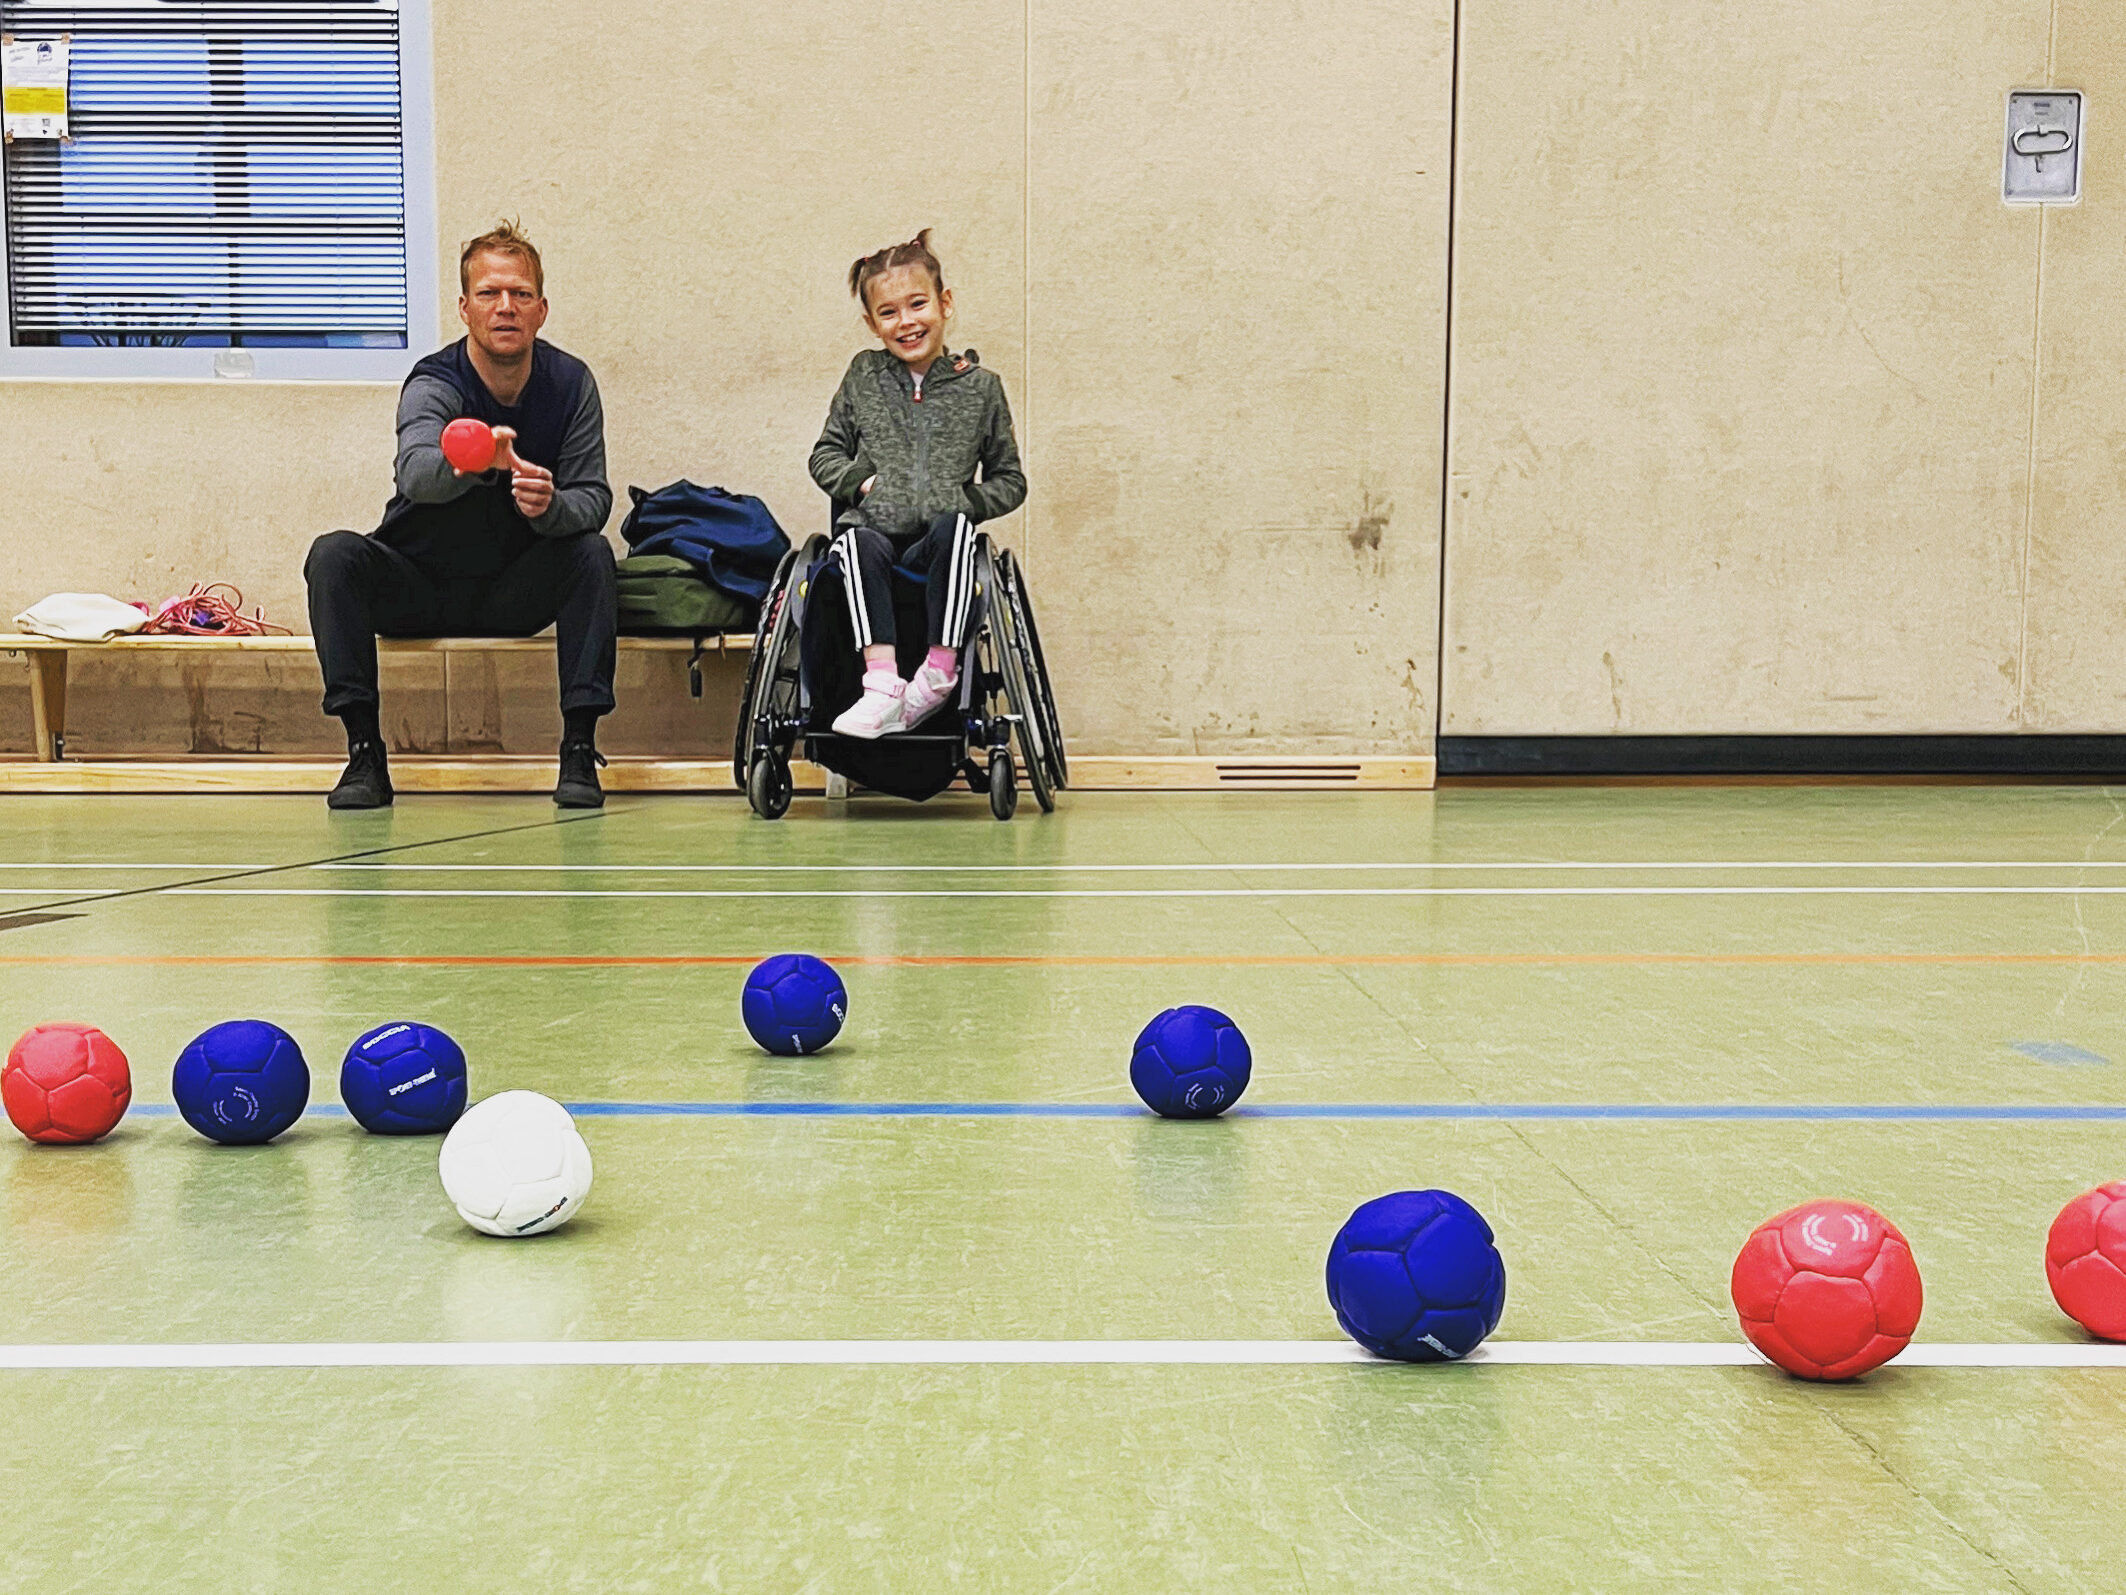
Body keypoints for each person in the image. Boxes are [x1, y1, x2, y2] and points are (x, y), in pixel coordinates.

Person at [304, 221, 617, 809]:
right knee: (334, 553)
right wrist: (475, 461)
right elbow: (416, 474)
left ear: (542, 310)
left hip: (512, 591)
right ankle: (364, 754)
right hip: (417, 585)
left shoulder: (572, 383)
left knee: (592, 555)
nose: (506, 307)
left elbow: (594, 500)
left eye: (521, 294)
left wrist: (550, 508)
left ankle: (579, 748)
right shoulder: (434, 381)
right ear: (464, 307)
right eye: (489, 294)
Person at [808, 229, 1027, 738]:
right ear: (872, 323)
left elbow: (1010, 480)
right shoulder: (863, 375)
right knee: (854, 542)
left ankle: (938, 674)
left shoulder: (981, 387)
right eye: (888, 313)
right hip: (878, 535)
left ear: (944, 303)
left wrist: (965, 500)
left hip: (936, 544)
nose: (906, 322)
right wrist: (862, 485)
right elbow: (825, 455)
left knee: (957, 529)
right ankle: (881, 685)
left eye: (917, 304)